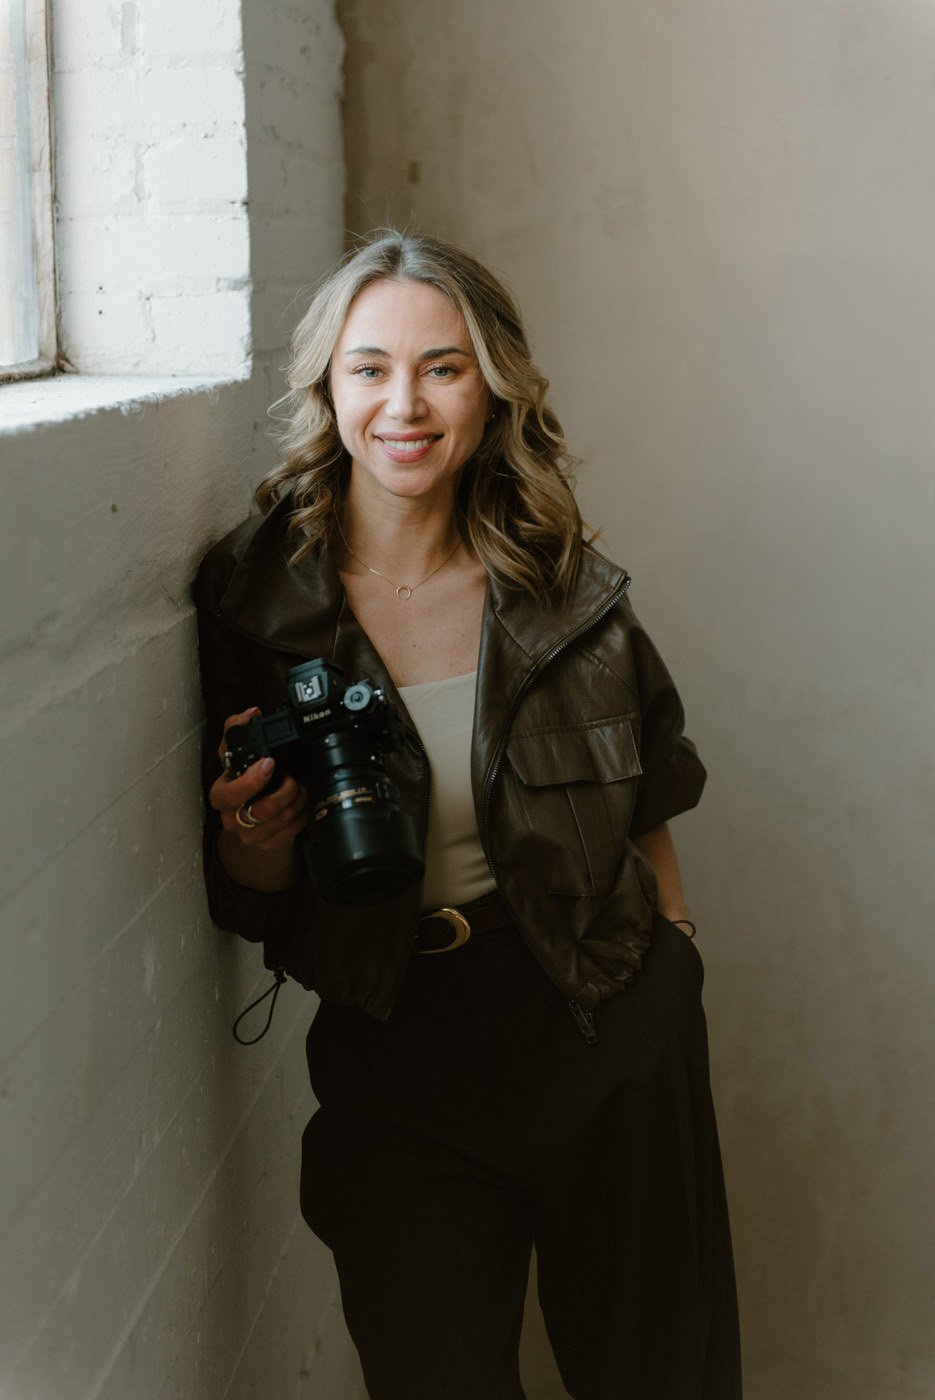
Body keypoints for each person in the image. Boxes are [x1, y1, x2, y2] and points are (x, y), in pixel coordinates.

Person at [195, 229, 741, 1400]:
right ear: (326, 386)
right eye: (370, 367)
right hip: (397, 1049)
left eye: (442, 367)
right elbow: (248, 904)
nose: (405, 402)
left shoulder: (562, 584)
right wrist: (254, 840)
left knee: (661, 1374)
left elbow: (649, 795)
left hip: (598, 1023)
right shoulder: (256, 598)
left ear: (491, 391)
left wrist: (675, 961)